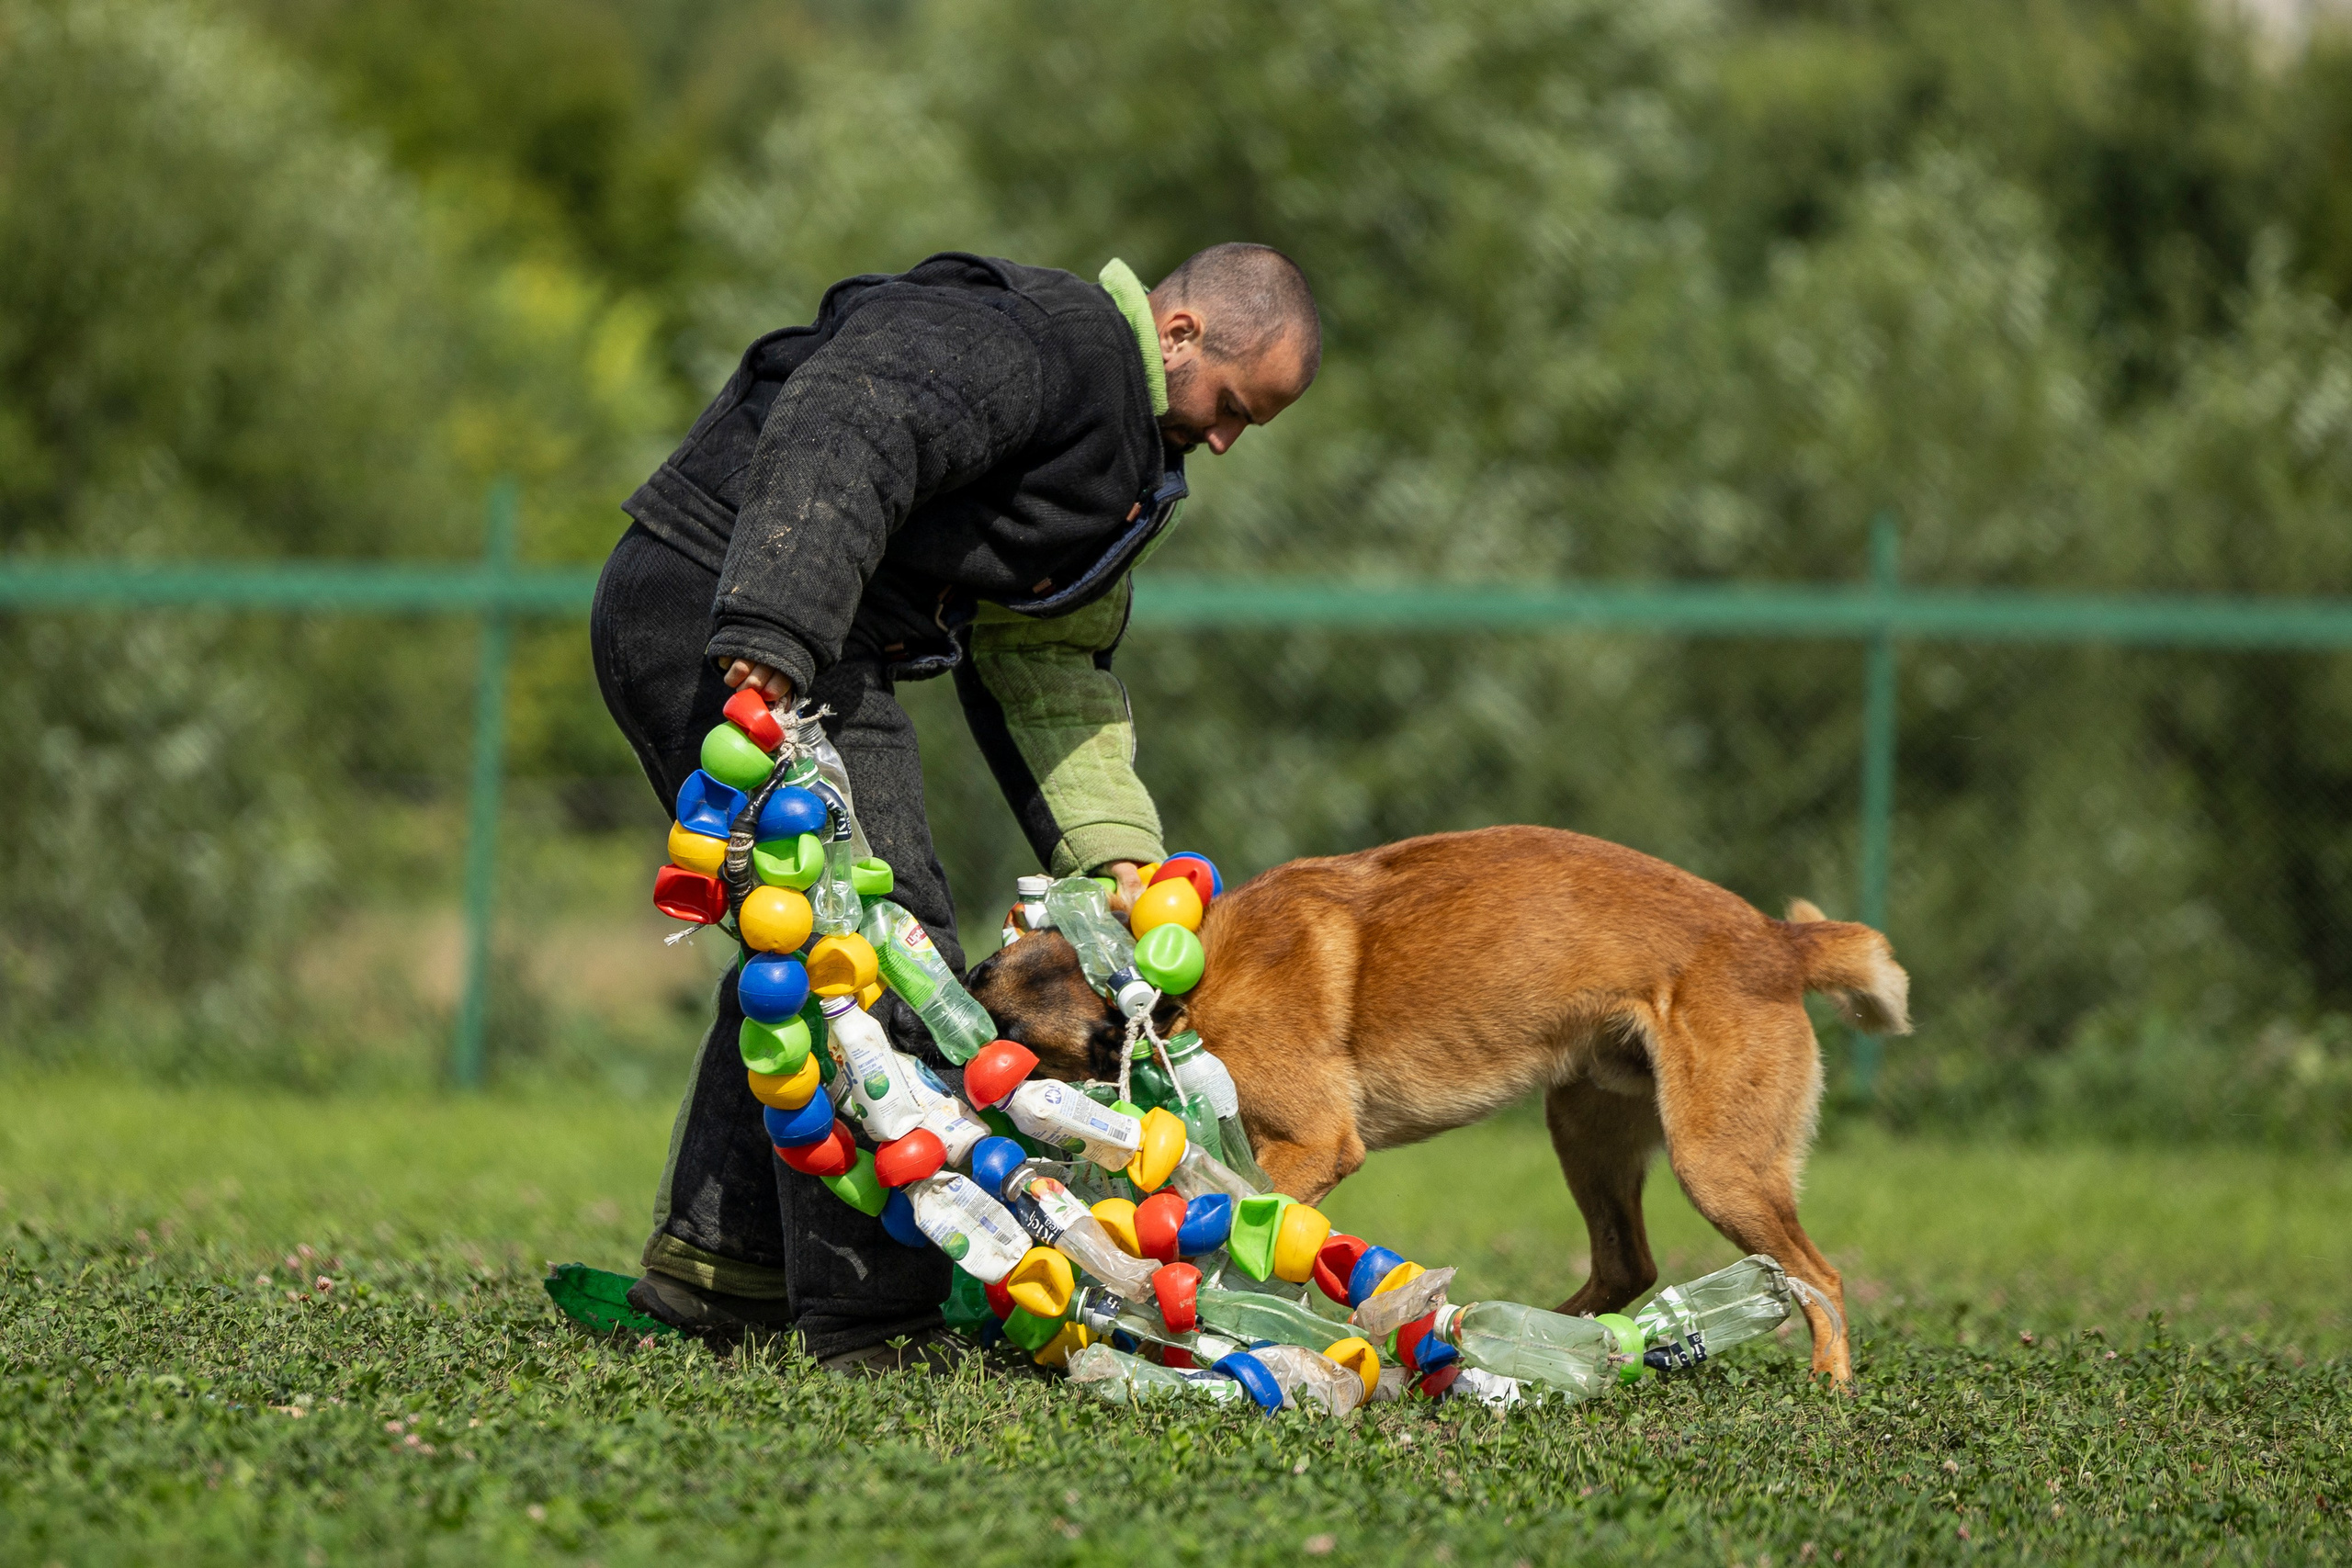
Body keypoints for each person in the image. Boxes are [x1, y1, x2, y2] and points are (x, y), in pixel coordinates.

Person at [589, 243, 1320, 1368]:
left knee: (817, 946)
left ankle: (720, 1275)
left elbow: (1049, 661)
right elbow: (851, 405)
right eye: (1230, 406)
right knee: (889, 960)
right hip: (722, 609)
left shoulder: (1121, 454)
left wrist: (1118, 856)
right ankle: (872, 1324)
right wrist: (777, 628)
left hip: (811, 641)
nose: (1224, 441)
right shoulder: (1047, 342)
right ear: (1176, 333)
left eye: (1247, 427)